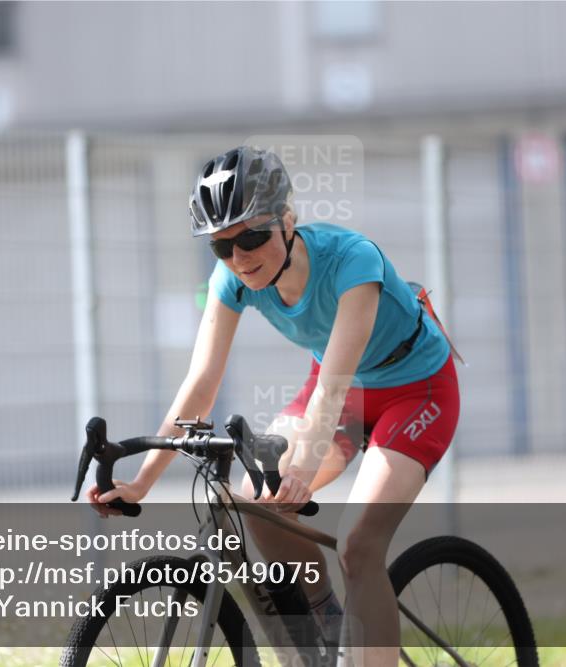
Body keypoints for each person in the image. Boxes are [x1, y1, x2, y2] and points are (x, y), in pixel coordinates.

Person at [88, 145, 460, 666]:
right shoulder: (233, 282)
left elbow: (332, 388)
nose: (240, 258)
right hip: (344, 390)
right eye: (222, 247)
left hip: (415, 389)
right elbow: (200, 384)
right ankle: (325, 630)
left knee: (358, 546)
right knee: (254, 499)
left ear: (288, 221)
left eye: (253, 236)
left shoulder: (353, 261)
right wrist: (144, 480)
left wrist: (302, 472)